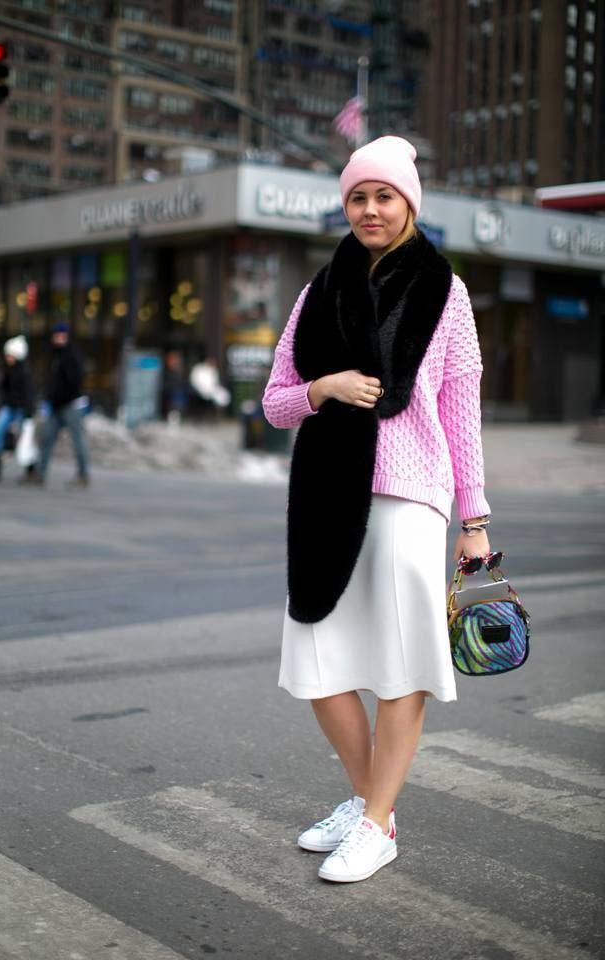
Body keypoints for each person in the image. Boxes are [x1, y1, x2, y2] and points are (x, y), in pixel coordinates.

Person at [262, 136, 491, 884]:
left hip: (409, 495)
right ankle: (373, 805)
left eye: (384, 196)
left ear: (409, 203)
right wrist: (322, 389)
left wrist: (475, 517)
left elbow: (462, 412)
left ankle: (372, 823)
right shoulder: (316, 293)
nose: (369, 209)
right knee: (317, 662)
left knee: (399, 670)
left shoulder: (446, 294)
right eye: (358, 196)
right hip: (326, 495)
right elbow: (274, 404)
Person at [36, 322, 90, 488]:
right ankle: (40, 473)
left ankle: (83, 475)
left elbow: (75, 379)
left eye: (62, 336)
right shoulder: (53, 354)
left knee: (78, 440)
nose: (59, 339)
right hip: (55, 404)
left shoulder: (72, 354)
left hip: (71, 404)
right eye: (56, 336)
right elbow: (50, 379)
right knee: (46, 438)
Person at [0, 335, 34, 481]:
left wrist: (28, 412)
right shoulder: (7, 370)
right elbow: (2, 388)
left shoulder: (24, 372)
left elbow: (28, 393)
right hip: (9, 407)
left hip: (20, 409)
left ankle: (31, 469)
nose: (8, 358)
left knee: (24, 440)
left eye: (10, 355)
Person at [162, 350, 189, 423]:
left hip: (177, 392)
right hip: (171, 392)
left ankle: (175, 417)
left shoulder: (178, 372)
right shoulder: (167, 372)